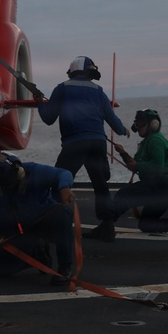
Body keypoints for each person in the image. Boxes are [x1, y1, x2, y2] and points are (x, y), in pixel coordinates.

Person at [36, 56, 130, 240]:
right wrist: (122, 130)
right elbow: (112, 119)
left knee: (59, 182)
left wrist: (40, 102)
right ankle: (108, 227)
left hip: (75, 143)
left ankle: (54, 226)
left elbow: (48, 119)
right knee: (101, 185)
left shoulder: (62, 88)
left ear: (72, 71)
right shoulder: (98, 91)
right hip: (98, 142)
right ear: (90, 72)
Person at [0, 153, 75, 284]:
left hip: (42, 220)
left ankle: (65, 268)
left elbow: (63, 173)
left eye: (6, 184)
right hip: (19, 229)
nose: (4, 188)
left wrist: (64, 188)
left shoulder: (35, 172)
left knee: (62, 214)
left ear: (19, 174)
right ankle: (38, 253)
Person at [110, 109, 168, 238]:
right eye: (137, 123)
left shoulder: (155, 141)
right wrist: (123, 153)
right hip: (167, 190)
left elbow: (158, 167)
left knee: (123, 195)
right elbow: (135, 164)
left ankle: (107, 225)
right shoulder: (148, 142)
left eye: (141, 123)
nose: (138, 127)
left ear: (153, 124)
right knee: (146, 224)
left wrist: (137, 166)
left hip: (162, 186)